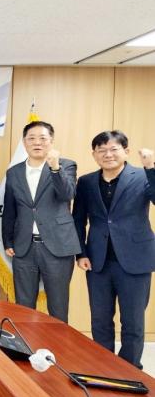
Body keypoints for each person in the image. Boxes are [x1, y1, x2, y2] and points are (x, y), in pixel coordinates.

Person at [72, 131, 155, 368]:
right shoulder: (86, 182)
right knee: (100, 321)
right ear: (94, 155)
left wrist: (151, 168)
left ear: (126, 151)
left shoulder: (143, 176)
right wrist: (81, 253)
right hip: (97, 261)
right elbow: (78, 219)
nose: (107, 154)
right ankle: (104, 368)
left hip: (135, 261)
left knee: (133, 323)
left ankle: (130, 370)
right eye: (101, 150)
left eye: (113, 149)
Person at [2, 121, 81, 322]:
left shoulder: (66, 165)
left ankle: (58, 342)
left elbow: (67, 194)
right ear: (24, 142)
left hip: (58, 246)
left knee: (58, 306)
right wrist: (8, 240)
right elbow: (10, 209)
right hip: (24, 247)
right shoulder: (14, 172)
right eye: (32, 138)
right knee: (23, 306)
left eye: (43, 138)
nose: (37, 142)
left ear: (51, 141)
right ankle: (25, 342)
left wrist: (55, 168)